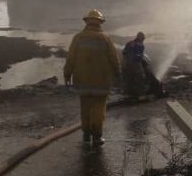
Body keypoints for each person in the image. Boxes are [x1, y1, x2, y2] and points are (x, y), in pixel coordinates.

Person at [64, 9, 121, 146]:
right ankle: (96, 137)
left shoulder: (78, 38)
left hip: (82, 81)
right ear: (100, 22)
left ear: (87, 22)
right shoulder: (105, 38)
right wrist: (118, 74)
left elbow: (70, 59)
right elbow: (114, 59)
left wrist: (67, 75)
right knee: (98, 109)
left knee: (85, 108)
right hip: (101, 81)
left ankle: (86, 136)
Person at [122, 32, 167, 99]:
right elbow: (138, 56)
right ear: (141, 37)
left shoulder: (129, 43)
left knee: (129, 78)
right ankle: (141, 95)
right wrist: (143, 62)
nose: (143, 39)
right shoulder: (140, 44)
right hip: (136, 63)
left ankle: (128, 94)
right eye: (143, 38)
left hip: (128, 63)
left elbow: (124, 52)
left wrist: (127, 61)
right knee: (140, 77)